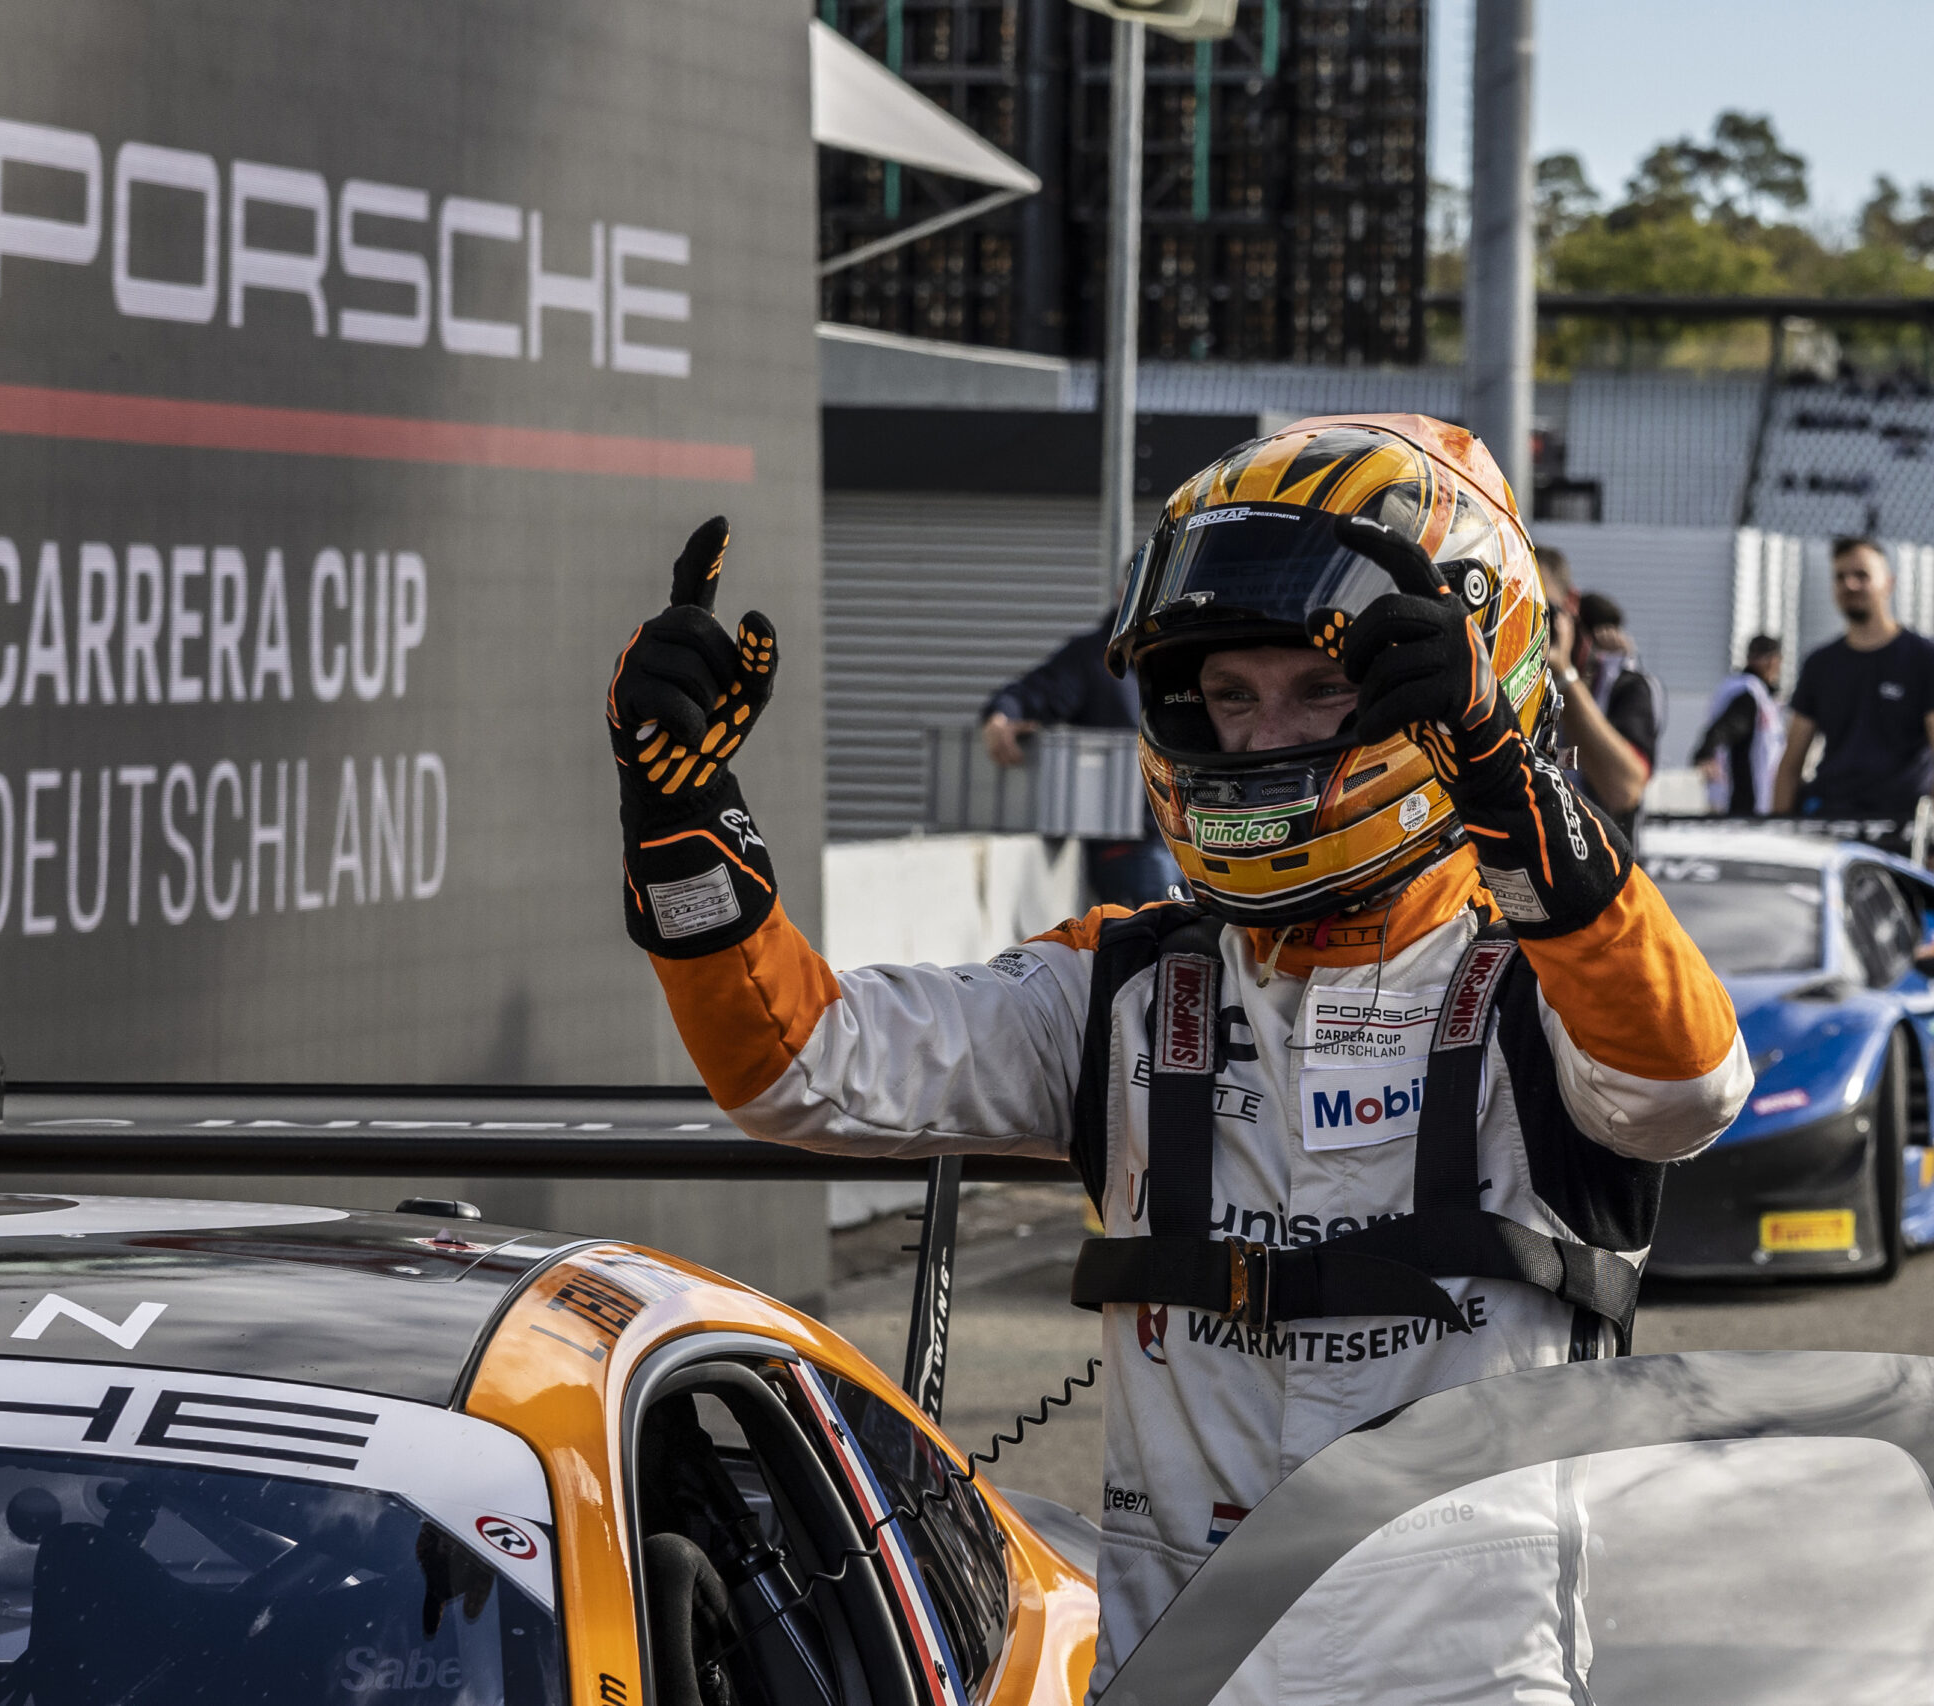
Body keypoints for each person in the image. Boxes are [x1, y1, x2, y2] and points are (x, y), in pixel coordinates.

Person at [603, 416, 1748, 1693]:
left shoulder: (1546, 970)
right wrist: (681, 829)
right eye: (1228, 695)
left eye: (1321, 689)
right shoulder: (1127, 984)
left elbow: (1682, 1085)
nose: (1262, 740)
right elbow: (799, 1067)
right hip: (1181, 1673)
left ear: (1462, 691)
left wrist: (1516, 800)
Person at [980, 609, 1178, 905]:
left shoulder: (1184, 654)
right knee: (1154, 943)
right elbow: (1032, 693)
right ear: (1126, 591)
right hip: (1133, 847)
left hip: (1192, 843)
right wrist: (1001, 717)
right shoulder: (1093, 659)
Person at [1772, 537, 1934, 822]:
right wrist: (1775, 831)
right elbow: (1790, 763)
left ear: (1889, 583)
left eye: (1862, 575)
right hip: (1829, 821)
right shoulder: (1820, 664)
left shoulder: (1923, 658)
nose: (1850, 584)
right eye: (1840, 577)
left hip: (1900, 830)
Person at [1531, 550, 1652, 843]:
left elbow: (1624, 789)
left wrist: (1563, 675)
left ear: (1571, 604)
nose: (1529, 629)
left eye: (1541, 611)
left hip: (1595, 865)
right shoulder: (1488, 677)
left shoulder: (1623, 685)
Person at [1692, 637, 1784, 816]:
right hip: (1744, 798)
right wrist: (1706, 752)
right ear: (1773, 661)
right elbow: (1728, 726)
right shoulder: (1748, 694)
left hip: (1745, 797)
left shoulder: (1750, 691)